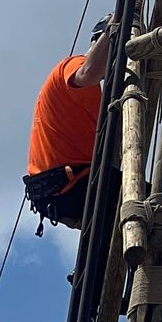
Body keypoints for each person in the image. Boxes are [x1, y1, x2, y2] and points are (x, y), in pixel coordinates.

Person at [24, 15, 112, 234]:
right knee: (153, 201)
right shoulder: (72, 66)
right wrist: (114, 28)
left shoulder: (100, 100)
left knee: (111, 237)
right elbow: (89, 72)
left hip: (63, 190)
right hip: (67, 186)